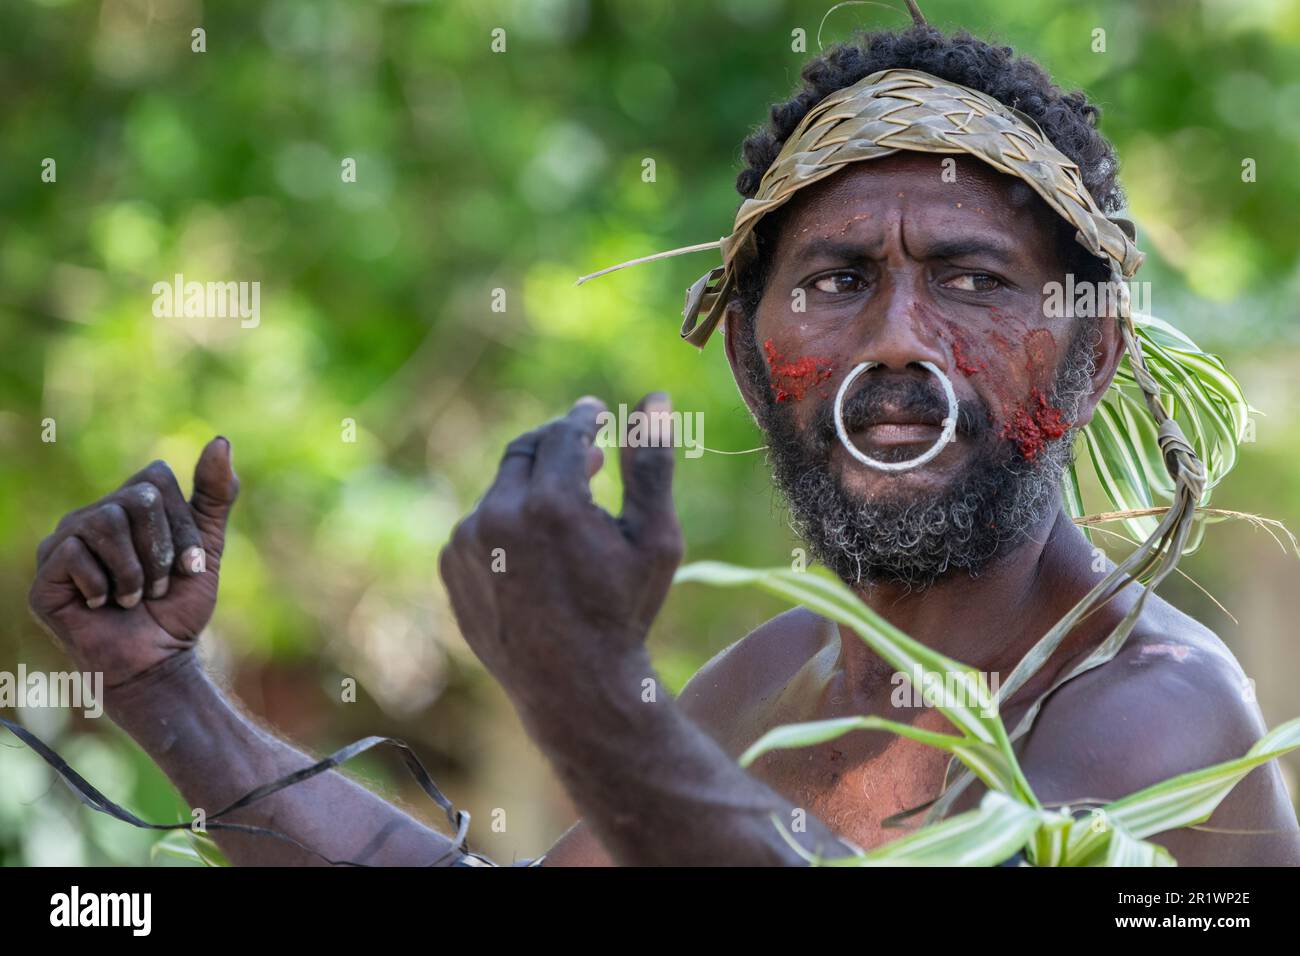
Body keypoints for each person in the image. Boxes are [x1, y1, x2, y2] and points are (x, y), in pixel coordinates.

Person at [28, 22, 1300, 866]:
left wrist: (585, 693)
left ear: (1090, 355)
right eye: (839, 279)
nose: (898, 341)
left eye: (971, 282)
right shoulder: (786, 678)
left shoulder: (1158, 718)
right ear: (748, 365)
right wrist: (162, 688)